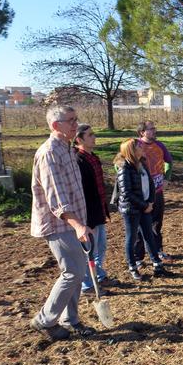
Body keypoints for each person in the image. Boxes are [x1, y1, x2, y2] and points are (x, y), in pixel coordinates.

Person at [29, 105, 96, 341]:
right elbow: (57, 199)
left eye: (76, 119)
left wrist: (82, 223)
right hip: (59, 224)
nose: (76, 124)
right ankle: (45, 320)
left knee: (77, 272)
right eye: (71, 121)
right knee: (72, 272)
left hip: (74, 222)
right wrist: (78, 225)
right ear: (56, 125)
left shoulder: (66, 149)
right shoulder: (50, 154)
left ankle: (71, 320)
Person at [115, 138, 167, 280]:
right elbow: (126, 193)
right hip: (131, 209)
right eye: (138, 146)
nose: (141, 147)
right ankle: (133, 267)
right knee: (131, 237)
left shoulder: (142, 163)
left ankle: (157, 265)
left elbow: (150, 184)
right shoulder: (124, 168)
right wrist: (145, 206)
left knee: (148, 235)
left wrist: (150, 202)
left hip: (145, 206)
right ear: (131, 150)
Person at [74, 124, 111, 295]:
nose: (94, 137)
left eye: (93, 134)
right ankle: (87, 284)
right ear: (79, 139)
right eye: (90, 135)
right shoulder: (78, 160)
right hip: (88, 214)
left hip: (99, 210)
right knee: (90, 250)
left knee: (101, 247)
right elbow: (80, 191)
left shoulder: (93, 157)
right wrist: (85, 218)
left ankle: (99, 275)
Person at [133, 120, 173, 265]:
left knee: (156, 223)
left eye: (154, 128)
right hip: (141, 193)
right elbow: (119, 164)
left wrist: (166, 178)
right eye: (150, 129)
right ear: (142, 132)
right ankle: (137, 257)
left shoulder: (160, 145)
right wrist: (132, 181)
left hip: (157, 191)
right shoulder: (135, 145)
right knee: (139, 225)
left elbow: (169, 162)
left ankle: (157, 251)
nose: (154, 131)